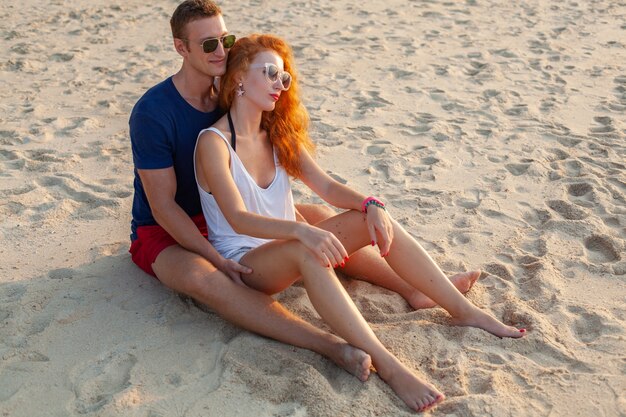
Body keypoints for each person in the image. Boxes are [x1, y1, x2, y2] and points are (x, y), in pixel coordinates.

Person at [128, 0, 480, 406]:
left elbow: (277, 167)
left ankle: (416, 290)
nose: (221, 51)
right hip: (170, 228)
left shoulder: (230, 91)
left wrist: (350, 205)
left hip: (235, 213)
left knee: (318, 218)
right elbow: (163, 206)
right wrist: (214, 256)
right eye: (209, 45)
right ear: (180, 48)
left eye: (226, 39)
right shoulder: (154, 113)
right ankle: (329, 344)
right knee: (203, 276)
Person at [193, 33, 527, 412]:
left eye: (283, 78)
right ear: (238, 78)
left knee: (366, 219)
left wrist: (371, 204)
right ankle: (389, 365)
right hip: (247, 261)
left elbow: (327, 187)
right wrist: (303, 229)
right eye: (269, 73)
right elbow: (238, 217)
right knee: (306, 248)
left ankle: (461, 310)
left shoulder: (276, 134)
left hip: (292, 243)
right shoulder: (214, 142)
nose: (278, 85)